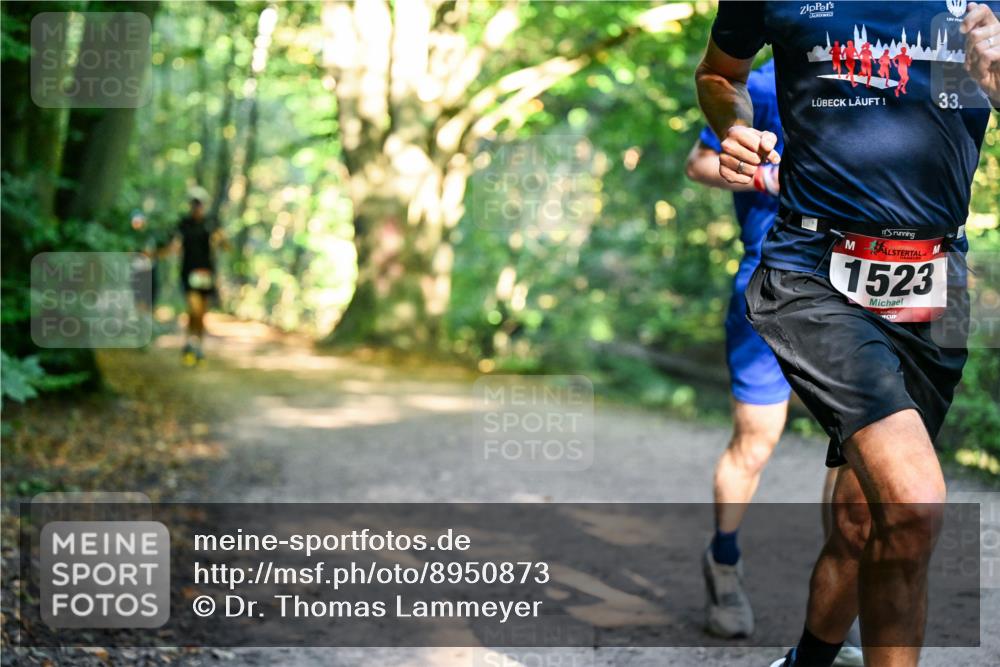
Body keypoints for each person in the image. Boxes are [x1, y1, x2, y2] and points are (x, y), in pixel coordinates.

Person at [694, 2, 998, 666]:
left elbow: (963, 105)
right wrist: (734, 126)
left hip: (935, 282)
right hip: (813, 272)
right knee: (914, 504)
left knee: (867, 520)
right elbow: (719, 75)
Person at [685, 59, 862, 667]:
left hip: (855, 288)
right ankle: (724, 560)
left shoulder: (884, 70)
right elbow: (699, 163)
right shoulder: (760, 82)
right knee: (756, 442)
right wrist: (767, 178)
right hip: (770, 282)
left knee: (856, 447)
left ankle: (838, 607)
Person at [174, 195, 223, 366]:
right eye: (194, 206)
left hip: (206, 273)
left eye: (199, 206)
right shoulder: (184, 224)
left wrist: (219, 238)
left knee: (201, 313)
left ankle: (198, 347)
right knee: (193, 309)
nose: (197, 209)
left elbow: (223, 243)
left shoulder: (210, 225)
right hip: (189, 272)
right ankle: (189, 343)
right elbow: (174, 245)